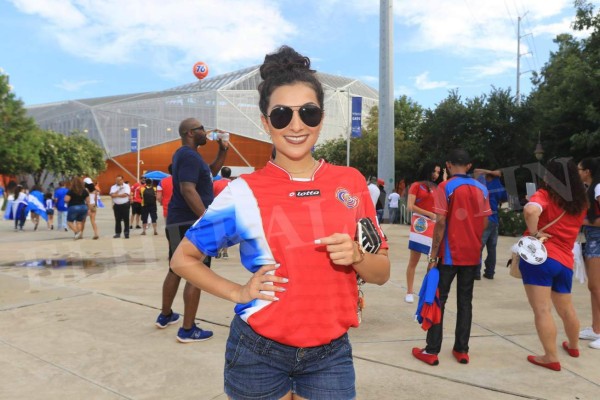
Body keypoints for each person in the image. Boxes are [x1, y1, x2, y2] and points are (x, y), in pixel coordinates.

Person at [171, 45, 390, 400]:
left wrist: (357, 256)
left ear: (321, 117)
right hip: (257, 354)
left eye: (308, 112)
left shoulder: (350, 183)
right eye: (281, 115)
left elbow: (381, 272)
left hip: (330, 356)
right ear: (265, 123)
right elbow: (182, 259)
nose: (296, 125)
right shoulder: (243, 192)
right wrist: (237, 292)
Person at [412, 149, 491, 366]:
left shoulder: (446, 187)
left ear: (448, 164)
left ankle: (432, 350)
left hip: (448, 254)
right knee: (466, 302)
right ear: (469, 165)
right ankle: (462, 349)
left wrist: (432, 256)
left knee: (439, 299)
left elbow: (440, 223)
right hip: (472, 254)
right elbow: (485, 223)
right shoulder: (482, 189)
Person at [155, 116, 229, 342]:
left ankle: (165, 316)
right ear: (190, 133)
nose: (205, 132)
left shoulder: (188, 156)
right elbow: (188, 190)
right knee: (196, 275)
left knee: (175, 268)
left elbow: (211, 172)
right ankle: (188, 329)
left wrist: (222, 150)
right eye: (201, 129)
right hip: (191, 223)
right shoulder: (188, 156)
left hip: (179, 221)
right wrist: (205, 220)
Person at [519, 158, 587, 371]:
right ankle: (574, 346)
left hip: (541, 258)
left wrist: (534, 233)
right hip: (565, 261)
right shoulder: (580, 202)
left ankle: (550, 357)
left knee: (542, 310)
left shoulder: (546, 195)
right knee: (566, 308)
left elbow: (531, 210)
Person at [404, 161, 442, 303]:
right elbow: (410, 206)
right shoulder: (416, 185)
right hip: (420, 224)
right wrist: (429, 214)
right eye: (434, 171)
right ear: (428, 170)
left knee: (432, 259)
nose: (436, 175)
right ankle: (409, 291)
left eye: (438, 172)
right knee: (414, 259)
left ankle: (426, 290)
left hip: (434, 225)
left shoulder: (437, 187)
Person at [578, 157, 600, 349]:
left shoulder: (598, 188)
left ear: (587, 172)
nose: (577, 172)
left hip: (598, 240)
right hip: (593, 240)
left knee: (597, 286)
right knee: (594, 287)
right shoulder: (590, 189)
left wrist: (581, 221)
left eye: (579, 169)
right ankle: (596, 328)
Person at [473, 168, 508, 280]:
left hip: (484, 218)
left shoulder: (483, 185)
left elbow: (476, 171)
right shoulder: (499, 187)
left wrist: (486, 172)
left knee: (479, 246)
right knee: (492, 248)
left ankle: (476, 273)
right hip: (495, 219)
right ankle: (490, 272)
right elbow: (504, 199)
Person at [213, 166, 233, 259]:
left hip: (217, 210)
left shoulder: (215, 183)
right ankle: (225, 252)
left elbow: (211, 197)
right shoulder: (233, 184)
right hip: (229, 210)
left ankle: (217, 251)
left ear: (221, 174)